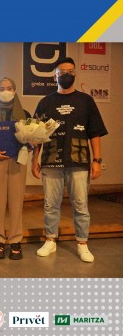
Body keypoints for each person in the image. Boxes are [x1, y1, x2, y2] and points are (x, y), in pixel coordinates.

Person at [32, 57, 108, 262]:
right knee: (50, 204)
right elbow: (36, 135)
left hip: (79, 162)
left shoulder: (86, 101)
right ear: (54, 76)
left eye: (70, 71)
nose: (66, 75)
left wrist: (97, 160)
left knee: (81, 205)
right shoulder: (45, 102)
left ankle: (82, 243)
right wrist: (34, 160)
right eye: (62, 72)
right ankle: (50, 240)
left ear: (75, 73)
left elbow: (95, 133)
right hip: (51, 161)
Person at [0, 77, 31, 260]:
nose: (5, 91)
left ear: (15, 90)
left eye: (9, 88)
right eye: (1, 88)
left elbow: (30, 139)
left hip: (17, 161)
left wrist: (29, 143)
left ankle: (16, 240)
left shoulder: (24, 113)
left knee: (17, 203)